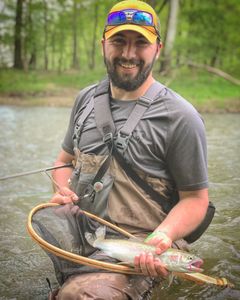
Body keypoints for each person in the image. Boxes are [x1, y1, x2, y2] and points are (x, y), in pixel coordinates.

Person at [50, 0, 209, 299]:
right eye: (119, 41)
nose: (128, 53)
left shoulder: (181, 118)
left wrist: (163, 236)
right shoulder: (85, 99)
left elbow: (196, 200)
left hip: (145, 245)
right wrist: (62, 189)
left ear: (158, 49)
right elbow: (63, 162)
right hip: (86, 234)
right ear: (103, 45)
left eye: (141, 43)